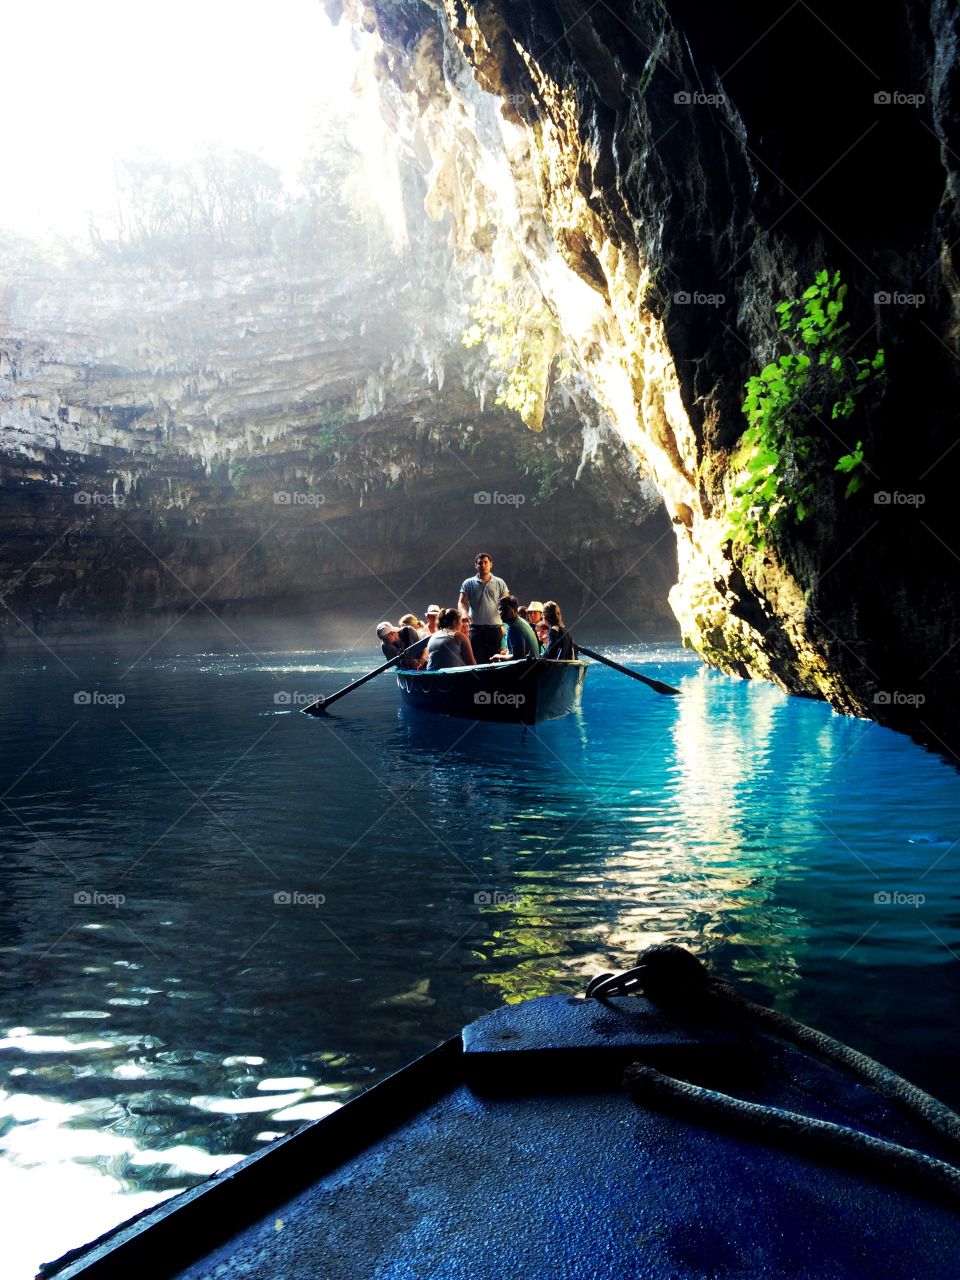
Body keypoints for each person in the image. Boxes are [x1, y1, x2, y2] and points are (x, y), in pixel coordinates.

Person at [459, 553, 509, 664]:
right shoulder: (468, 583)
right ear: (476, 566)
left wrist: (506, 623)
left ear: (491, 564)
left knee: (494, 661)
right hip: (476, 629)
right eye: (480, 563)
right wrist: (463, 613)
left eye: (486, 562)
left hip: (495, 629)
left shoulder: (500, 583)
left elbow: (507, 602)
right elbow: (462, 603)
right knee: (476, 661)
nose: (483, 565)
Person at [496, 595, 541, 660]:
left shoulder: (515, 627)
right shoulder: (519, 622)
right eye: (500, 609)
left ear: (514, 610)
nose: (501, 612)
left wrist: (499, 657)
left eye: (504, 609)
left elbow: (518, 657)